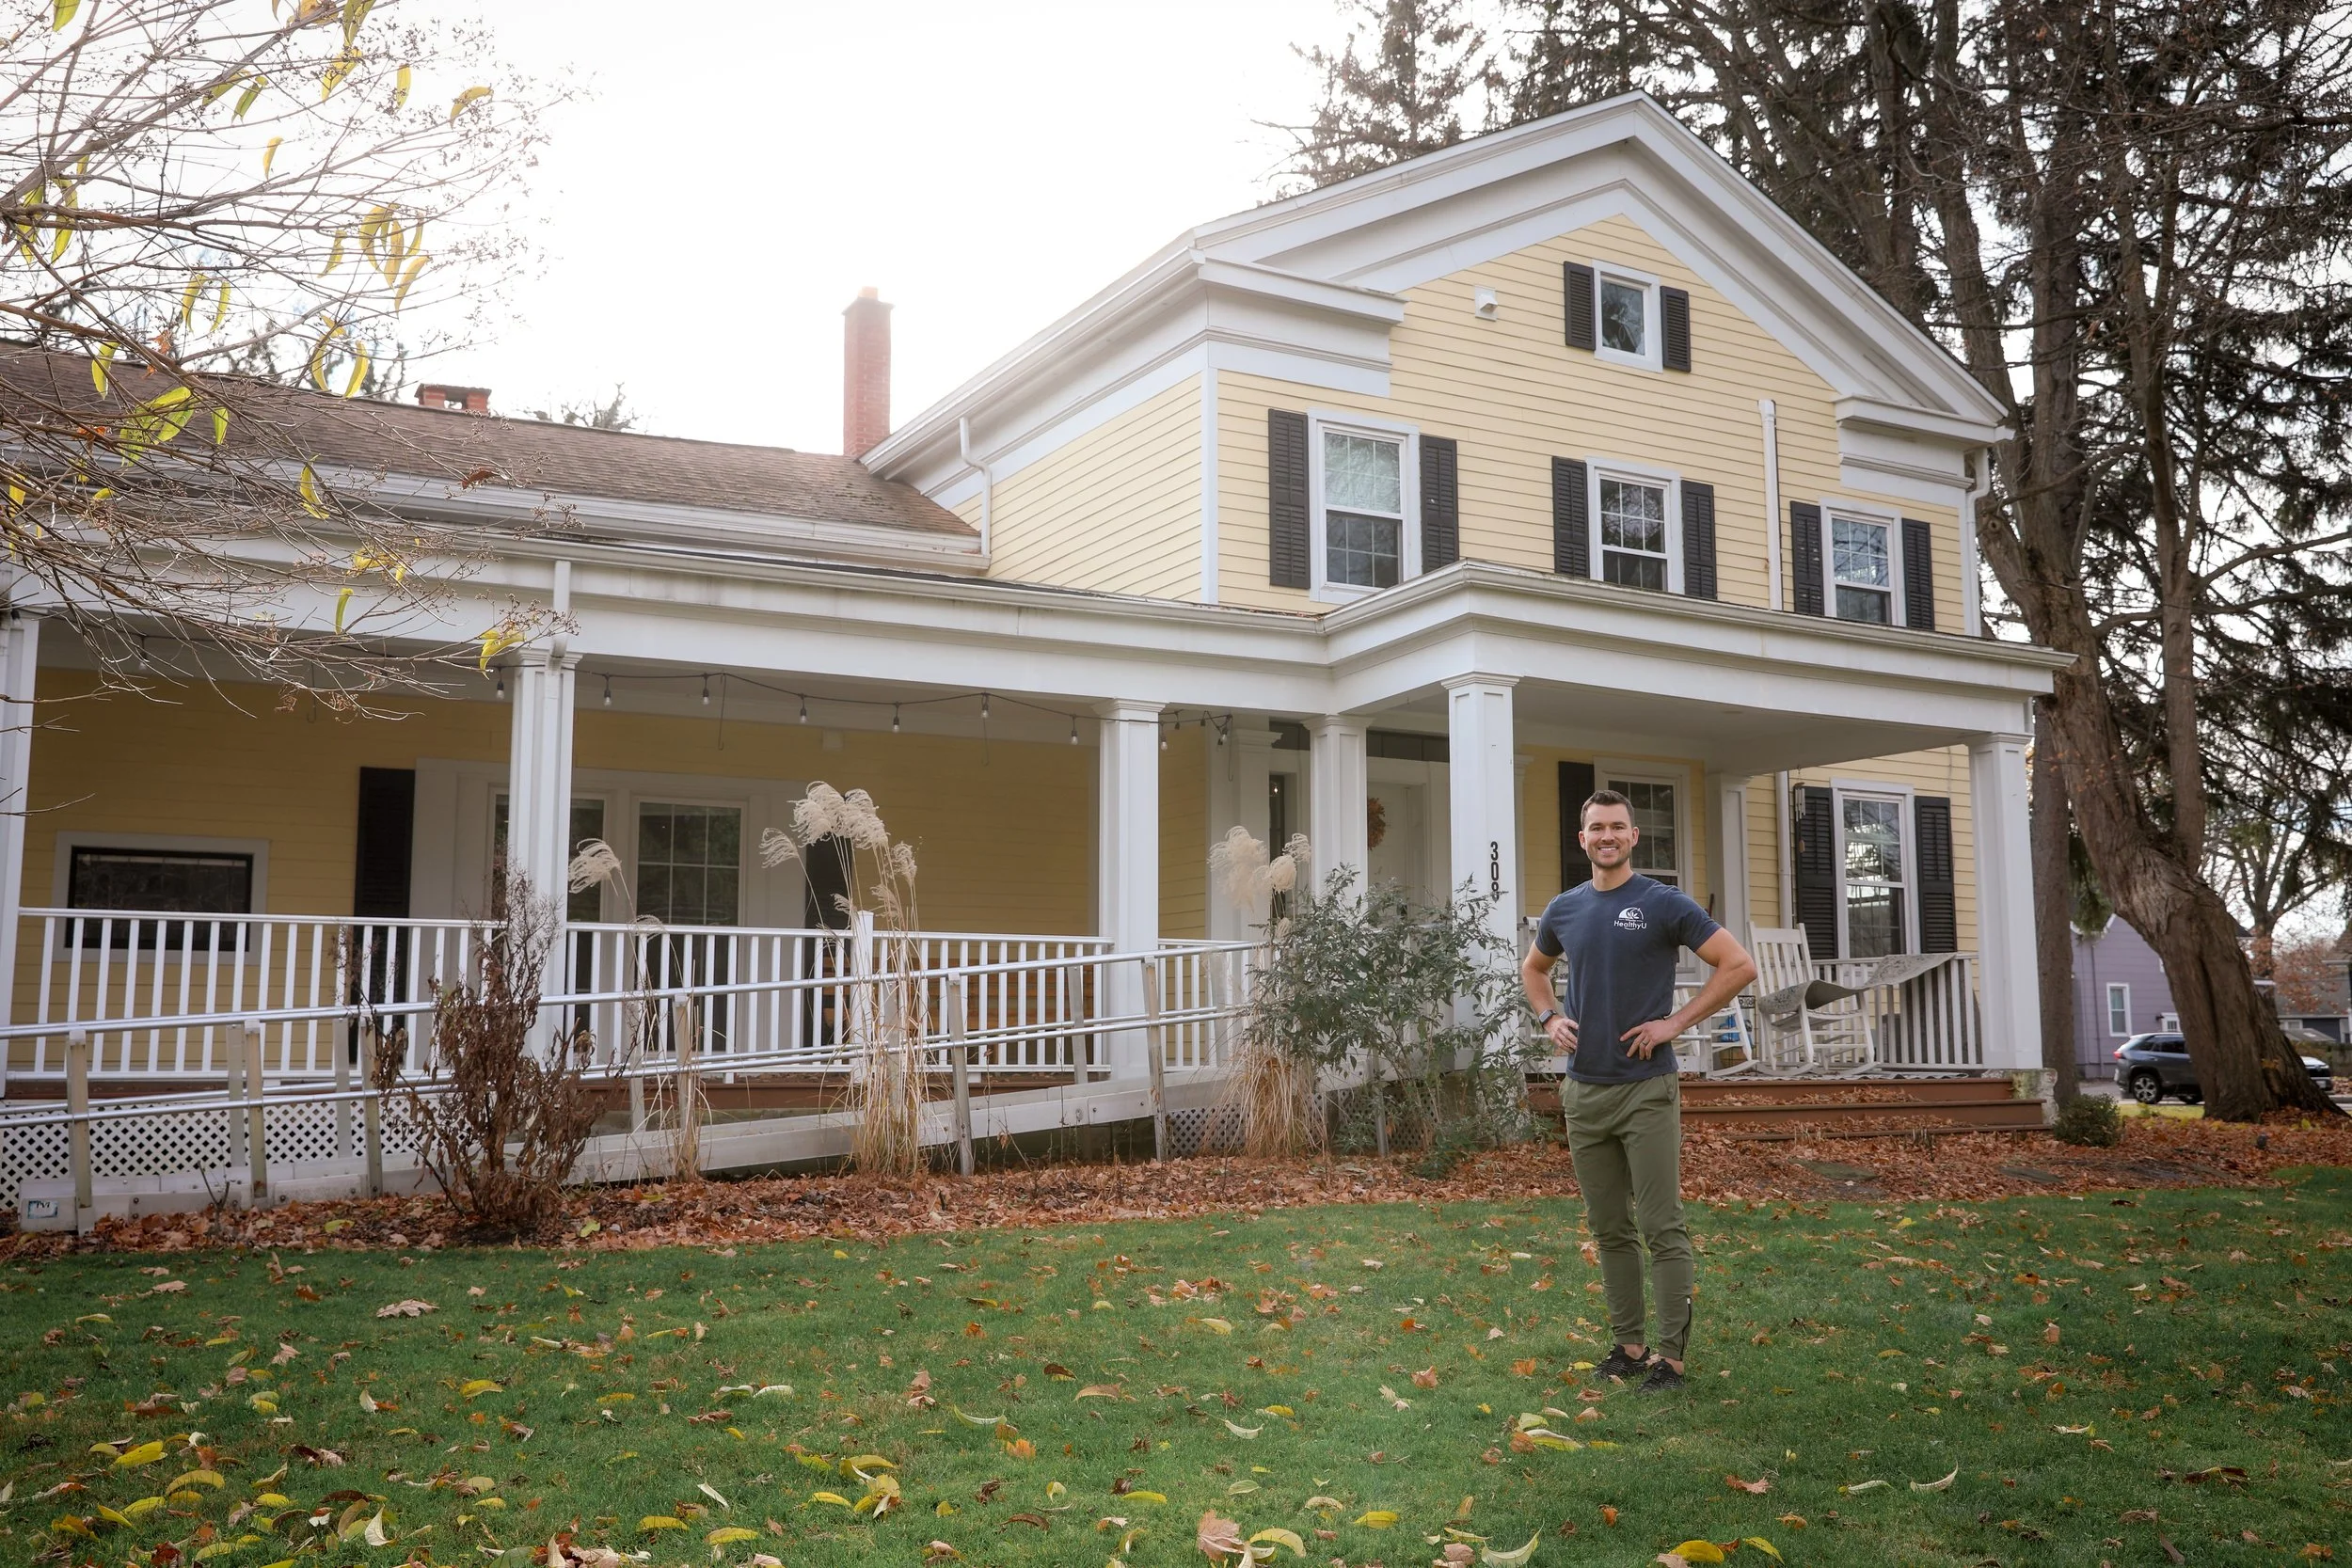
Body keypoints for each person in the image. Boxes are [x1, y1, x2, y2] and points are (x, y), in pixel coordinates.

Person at [1520, 789, 1756, 1394]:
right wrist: (1549, 1018)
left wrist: (1673, 1025)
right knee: (1609, 1229)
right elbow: (1533, 970)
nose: (1607, 836)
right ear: (1583, 840)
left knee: (1661, 1224)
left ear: (1632, 837)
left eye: (1617, 827)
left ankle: (1671, 1360)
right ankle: (1628, 1347)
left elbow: (1738, 965)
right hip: (1584, 1092)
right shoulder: (1565, 909)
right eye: (1596, 827)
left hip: (1646, 1089)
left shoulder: (1662, 903)